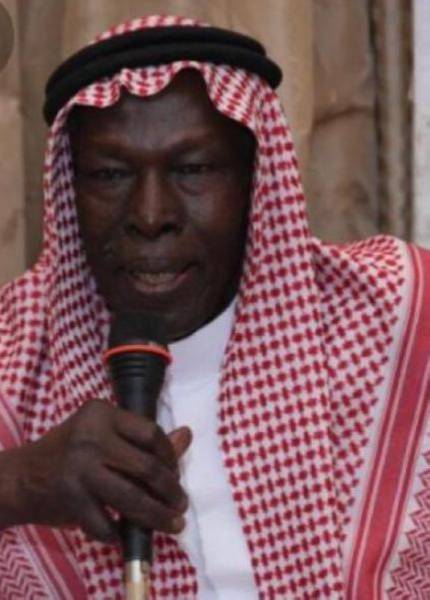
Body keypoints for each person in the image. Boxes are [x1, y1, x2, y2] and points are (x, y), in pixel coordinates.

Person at [0, 14, 429, 600]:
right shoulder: (13, 359)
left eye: (194, 169)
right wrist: (17, 482)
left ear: (256, 180)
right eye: (110, 174)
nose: (151, 215)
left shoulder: (399, 313)